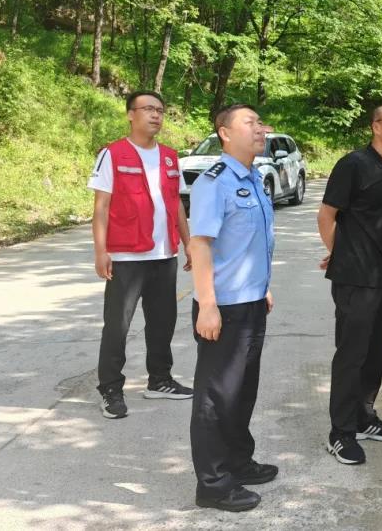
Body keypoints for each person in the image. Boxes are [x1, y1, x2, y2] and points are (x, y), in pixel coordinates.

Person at [188, 103, 277, 512]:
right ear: (225, 133)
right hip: (223, 307)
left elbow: (250, 243)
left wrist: (262, 287)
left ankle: (239, 462)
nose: (260, 129)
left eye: (260, 123)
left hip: (252, 301)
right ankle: (213, 484)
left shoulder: (255, 177)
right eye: (250, 123)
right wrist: (207, 304)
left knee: (242, 392)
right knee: (216, 397)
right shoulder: (215, 182)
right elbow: (201, 244)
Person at [88, 90, 193, 420]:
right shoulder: (113, 154)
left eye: (160, 110)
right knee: (117, 326)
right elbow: (101, 207)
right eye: (148, 109)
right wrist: (101, 251)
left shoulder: (170, 157)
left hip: (164, 254)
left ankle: (160, 380)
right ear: (130, 114)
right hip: (126, 256)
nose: (156, 115)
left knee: (163, 322)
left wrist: (188, 243)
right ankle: (110, 389)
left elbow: (176, 204)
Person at [317, 104, 382, 465]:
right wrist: (338, 253)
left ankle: (364, 417)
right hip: (355, 278)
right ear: (376, 127)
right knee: (351, 355)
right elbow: (326, 215)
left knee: (375, 353)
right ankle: (340, 433)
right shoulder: (353, 164)